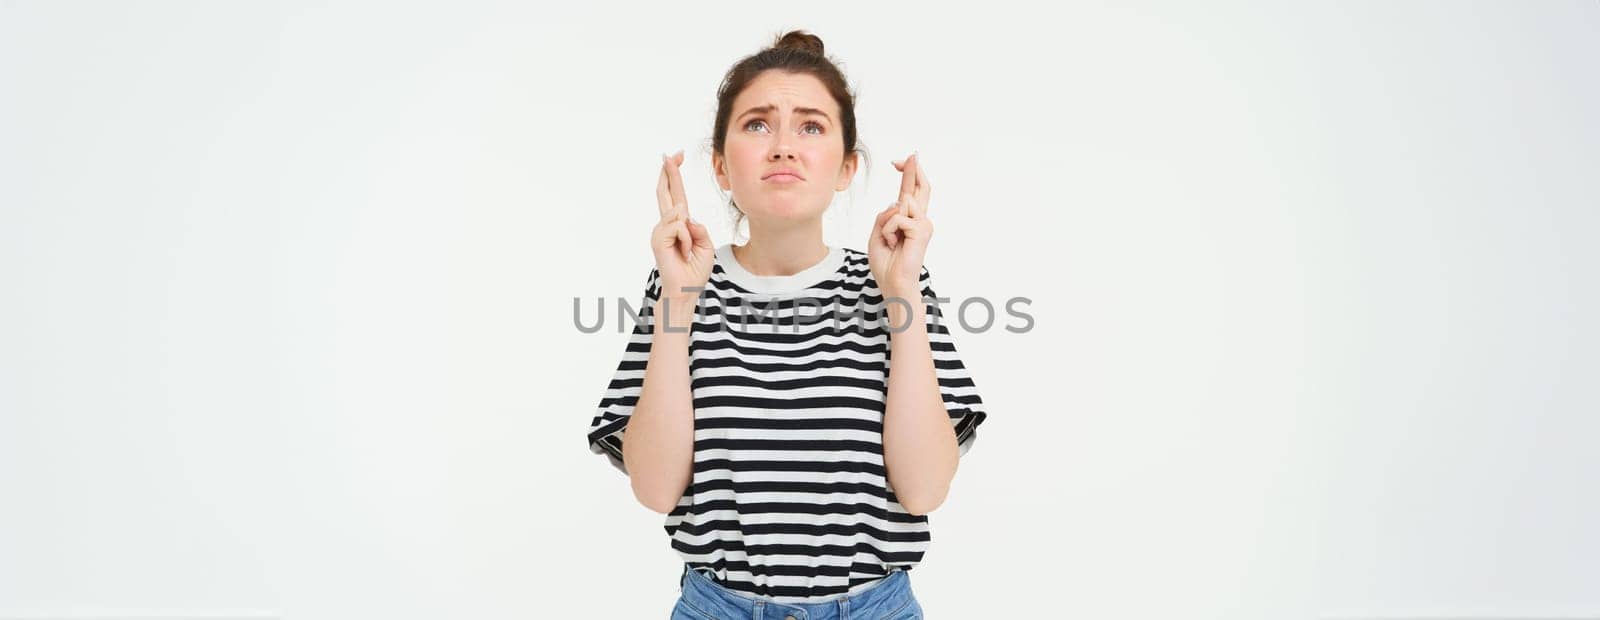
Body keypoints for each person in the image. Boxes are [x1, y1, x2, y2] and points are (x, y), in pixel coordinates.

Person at [585, 30, 987, 620]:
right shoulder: (680, 283)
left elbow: (925, 490)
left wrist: (900, 291)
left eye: (811, 126)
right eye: (756, 125)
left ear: (847, 167)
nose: (782, 147)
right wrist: (678, 299)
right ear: (720, 167)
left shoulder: (896, 283)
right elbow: (655, 490)